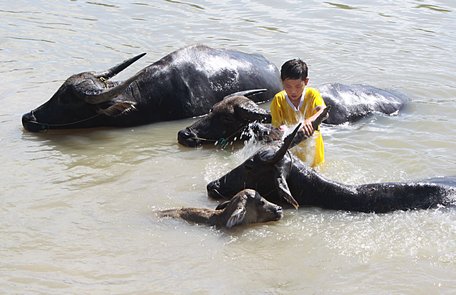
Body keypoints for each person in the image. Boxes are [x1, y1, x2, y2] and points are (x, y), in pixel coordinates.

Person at [270, 58, 326, 167]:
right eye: (288, 86)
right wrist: (277, 132)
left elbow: (323, 111)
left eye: (298, 86)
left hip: (315, 158)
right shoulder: (278, 100)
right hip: (292, 160)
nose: (293, 91)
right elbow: (276, 129)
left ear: (306, 82)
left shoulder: (312, 95)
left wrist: (309, 121)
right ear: (282, 82)